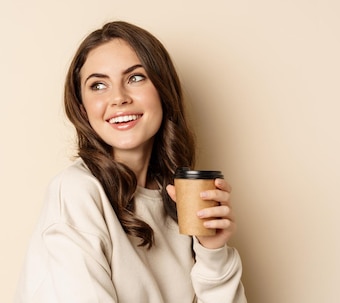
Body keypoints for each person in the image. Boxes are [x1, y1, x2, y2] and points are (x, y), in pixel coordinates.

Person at [15, 21, 247, 302]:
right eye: (98, 85)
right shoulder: (77, 192)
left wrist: (212, 251)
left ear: (163, 89)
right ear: (82, 107)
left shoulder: (177, 198)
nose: (118, 98)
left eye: (135, 78)